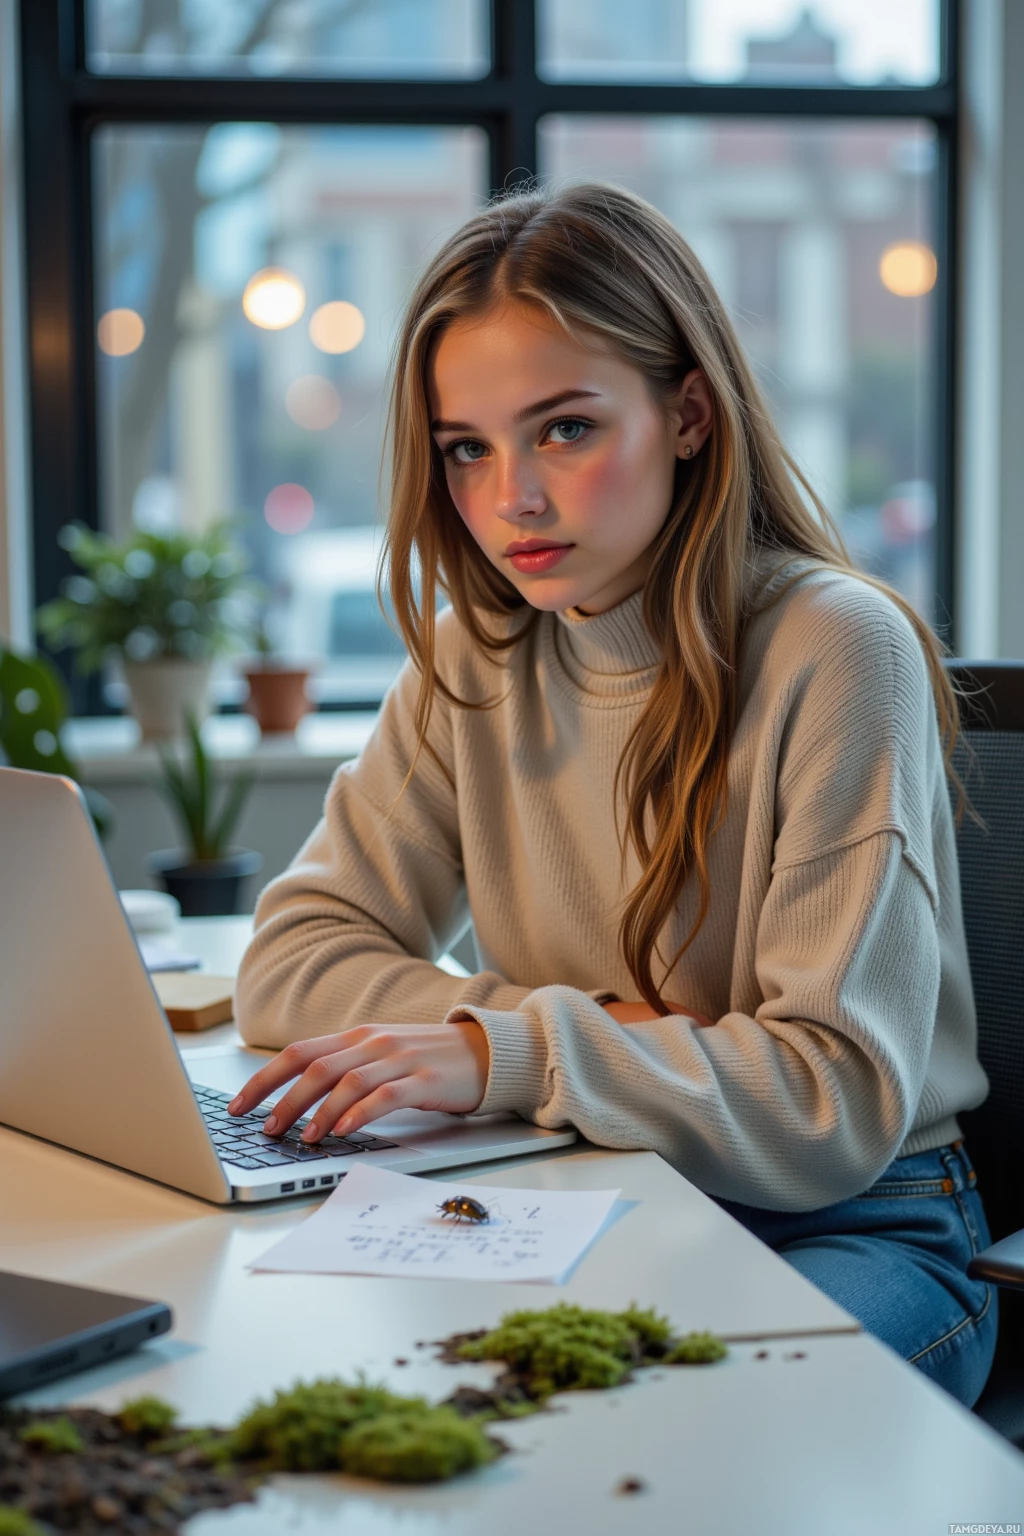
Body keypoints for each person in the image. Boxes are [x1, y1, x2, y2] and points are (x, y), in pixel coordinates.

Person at [229, 182, 995, 1407]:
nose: (510, 499)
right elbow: (292, 962)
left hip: (856, 1222)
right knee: (363, 1394)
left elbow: (830, 1101)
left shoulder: (833, 647)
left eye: (566, 429)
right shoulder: (473, 658)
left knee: (673, 1439)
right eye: (466, 449)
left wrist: (509, 1048)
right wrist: (544, 1041)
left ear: (687, 412)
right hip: (581, 1187)